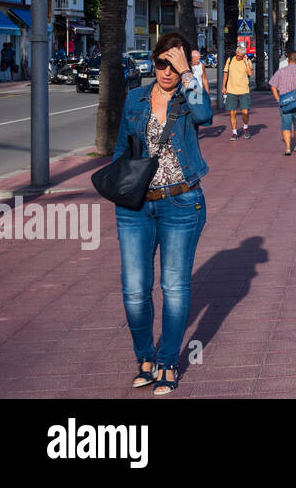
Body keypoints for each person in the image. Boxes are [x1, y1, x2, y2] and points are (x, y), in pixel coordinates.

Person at [112, 30, 212, 396]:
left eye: (174, 63)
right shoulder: (136, 98)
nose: (166, 70)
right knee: (135, 289)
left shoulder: (189, 98)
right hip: (136, 206)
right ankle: (145, 358)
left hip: (181, 203)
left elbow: (205, 115)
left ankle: (168, 362)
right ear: (153, 62)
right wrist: (120, 185)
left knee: (174, 286)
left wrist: (190, 73)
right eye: (161, 62)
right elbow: (121, 147)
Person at [269, 51, 296, 155]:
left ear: (288, 60)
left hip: (285, 103)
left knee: (286, 124)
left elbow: (272, 85)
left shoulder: (280, 72)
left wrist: (278, 98)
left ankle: (287, 148)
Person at [221, 43, 253, 140]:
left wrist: (246, 62)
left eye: (240, 56)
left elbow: (250, 73)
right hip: (231, 90)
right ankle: (234, 133)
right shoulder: (230, 60)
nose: (238, 57)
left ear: (244, 55)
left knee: (245, 112)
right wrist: (223, 86)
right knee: (232, 113)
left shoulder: (247, 61)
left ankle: (245, 127)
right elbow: (225, 73)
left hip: (244, 90)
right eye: (237, 55)